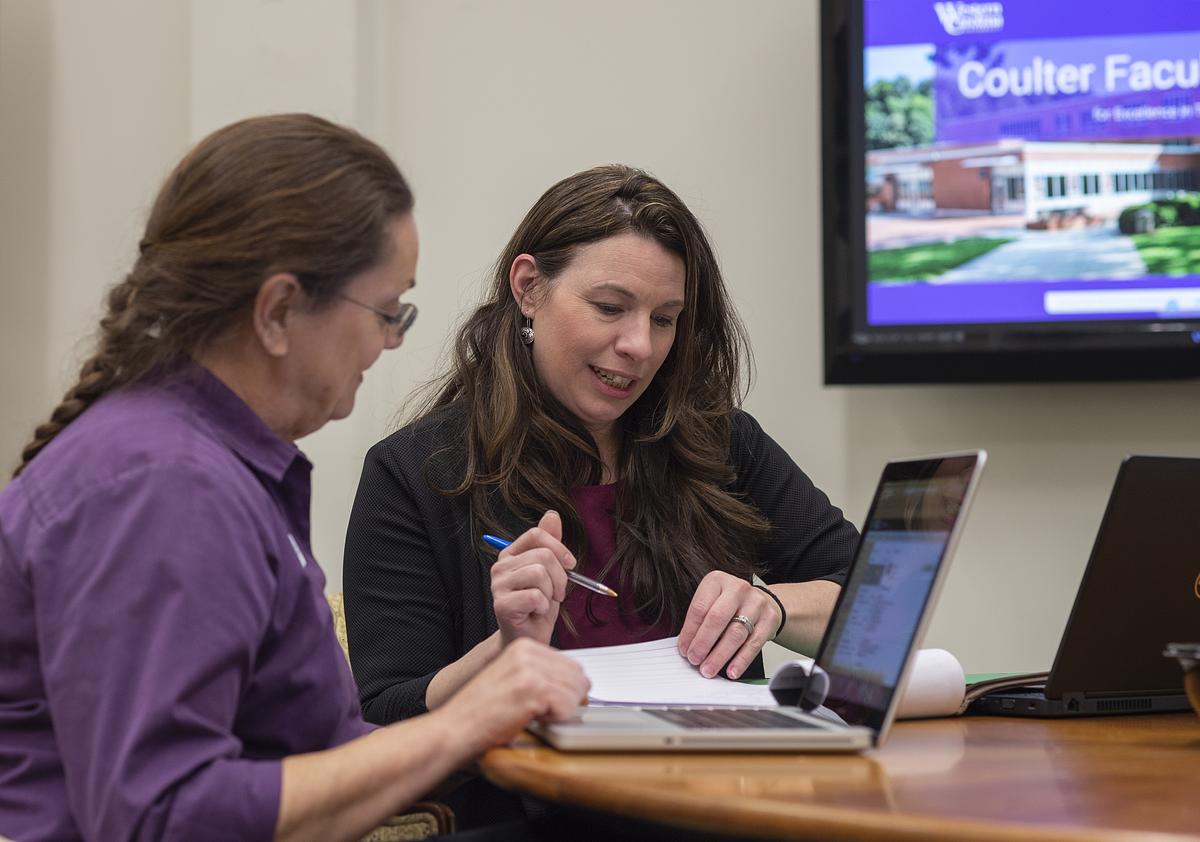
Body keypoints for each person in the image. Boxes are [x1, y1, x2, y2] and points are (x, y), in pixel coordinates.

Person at [0, 114, 588, 842]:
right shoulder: (163, 486)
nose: (389, 340)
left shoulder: (190, 459)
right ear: (278, 311)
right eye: (385, 310)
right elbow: (159, 818)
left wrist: (490, 683)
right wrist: (458, 729)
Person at [343, 165, 859, 731]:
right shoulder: (418, 472)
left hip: (722, 799)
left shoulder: (719, 442)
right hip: (537, 810)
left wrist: (774, 607)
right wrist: (506, 650)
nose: (639, 345)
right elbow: (387, 710)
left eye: (664, 319)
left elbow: (874, 601)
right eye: (610, 308)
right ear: (529, 288)